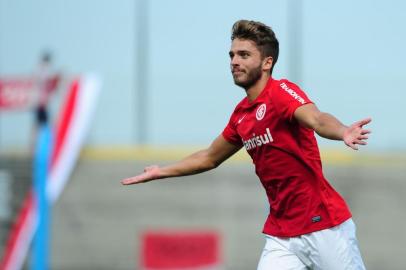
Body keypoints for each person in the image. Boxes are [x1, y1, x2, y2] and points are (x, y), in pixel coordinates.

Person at [121, 20, 370, 270]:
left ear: (267, 62)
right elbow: (209, 157)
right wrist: (160, 171)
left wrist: (342, 131)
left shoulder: (281, 93)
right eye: (231, 55)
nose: (234, 61)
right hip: (282, 234)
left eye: (244, 55)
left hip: (324, 225)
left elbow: (316, 118)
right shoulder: (241, 115)